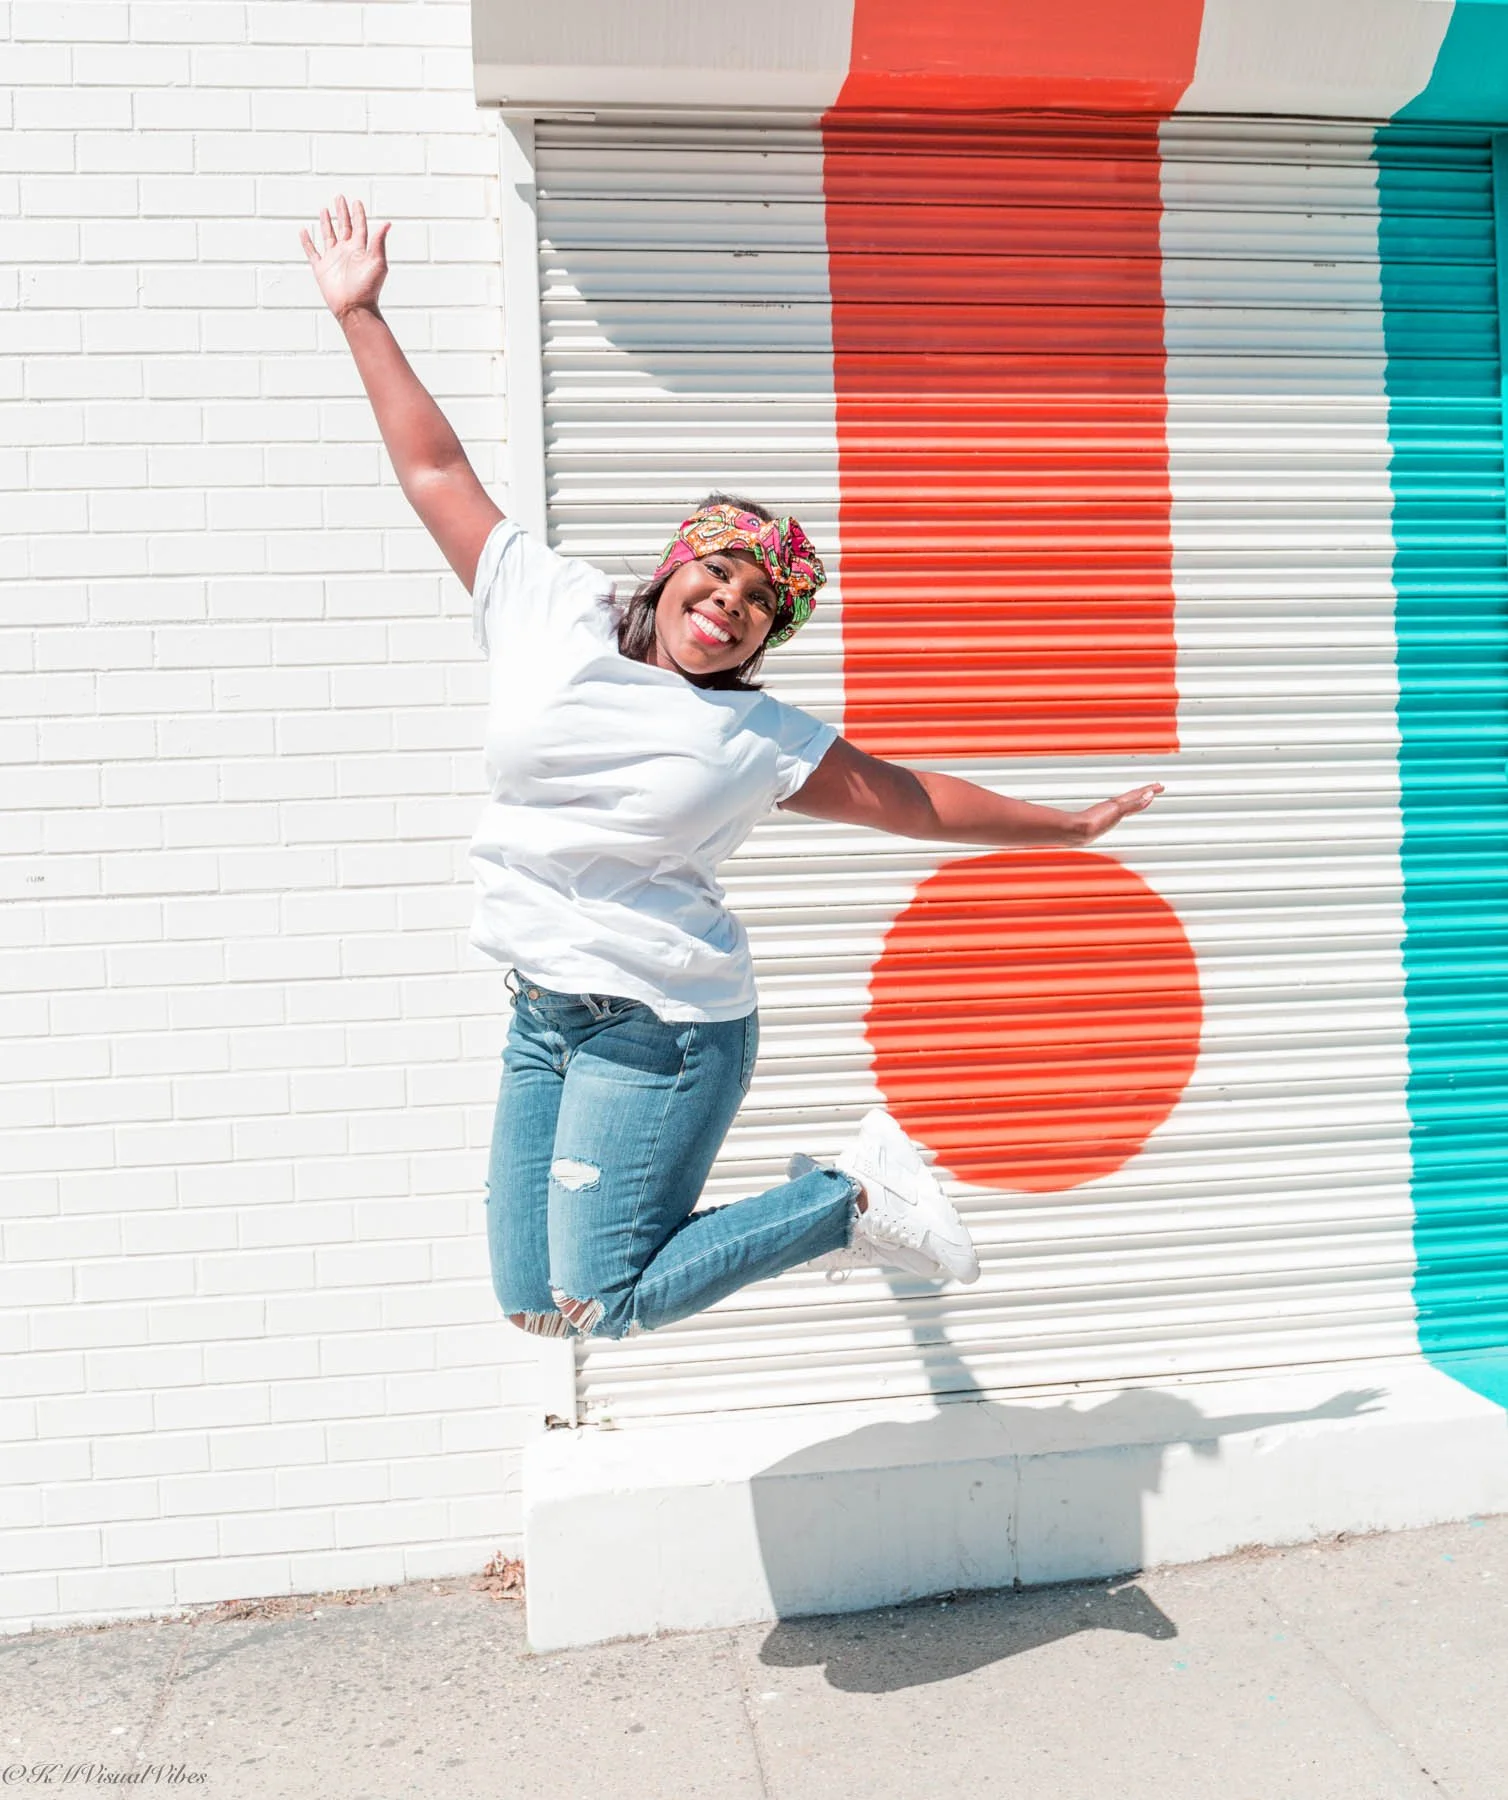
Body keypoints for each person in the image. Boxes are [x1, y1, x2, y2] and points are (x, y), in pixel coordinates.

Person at [301, 195, 1164, 1342]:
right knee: (531, 1304)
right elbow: (434, 470)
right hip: (542, 1013)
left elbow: (913, 803)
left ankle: (852, 1199)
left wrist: (1064, 827)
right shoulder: (550, 608)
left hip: (663, 1022)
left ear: (765, 639)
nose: (732, 606)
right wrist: (361, 313)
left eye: (761, 606)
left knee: (600, 1297)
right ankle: (845, 1195)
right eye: (719, 577)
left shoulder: (755, 739)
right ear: (669, 574)